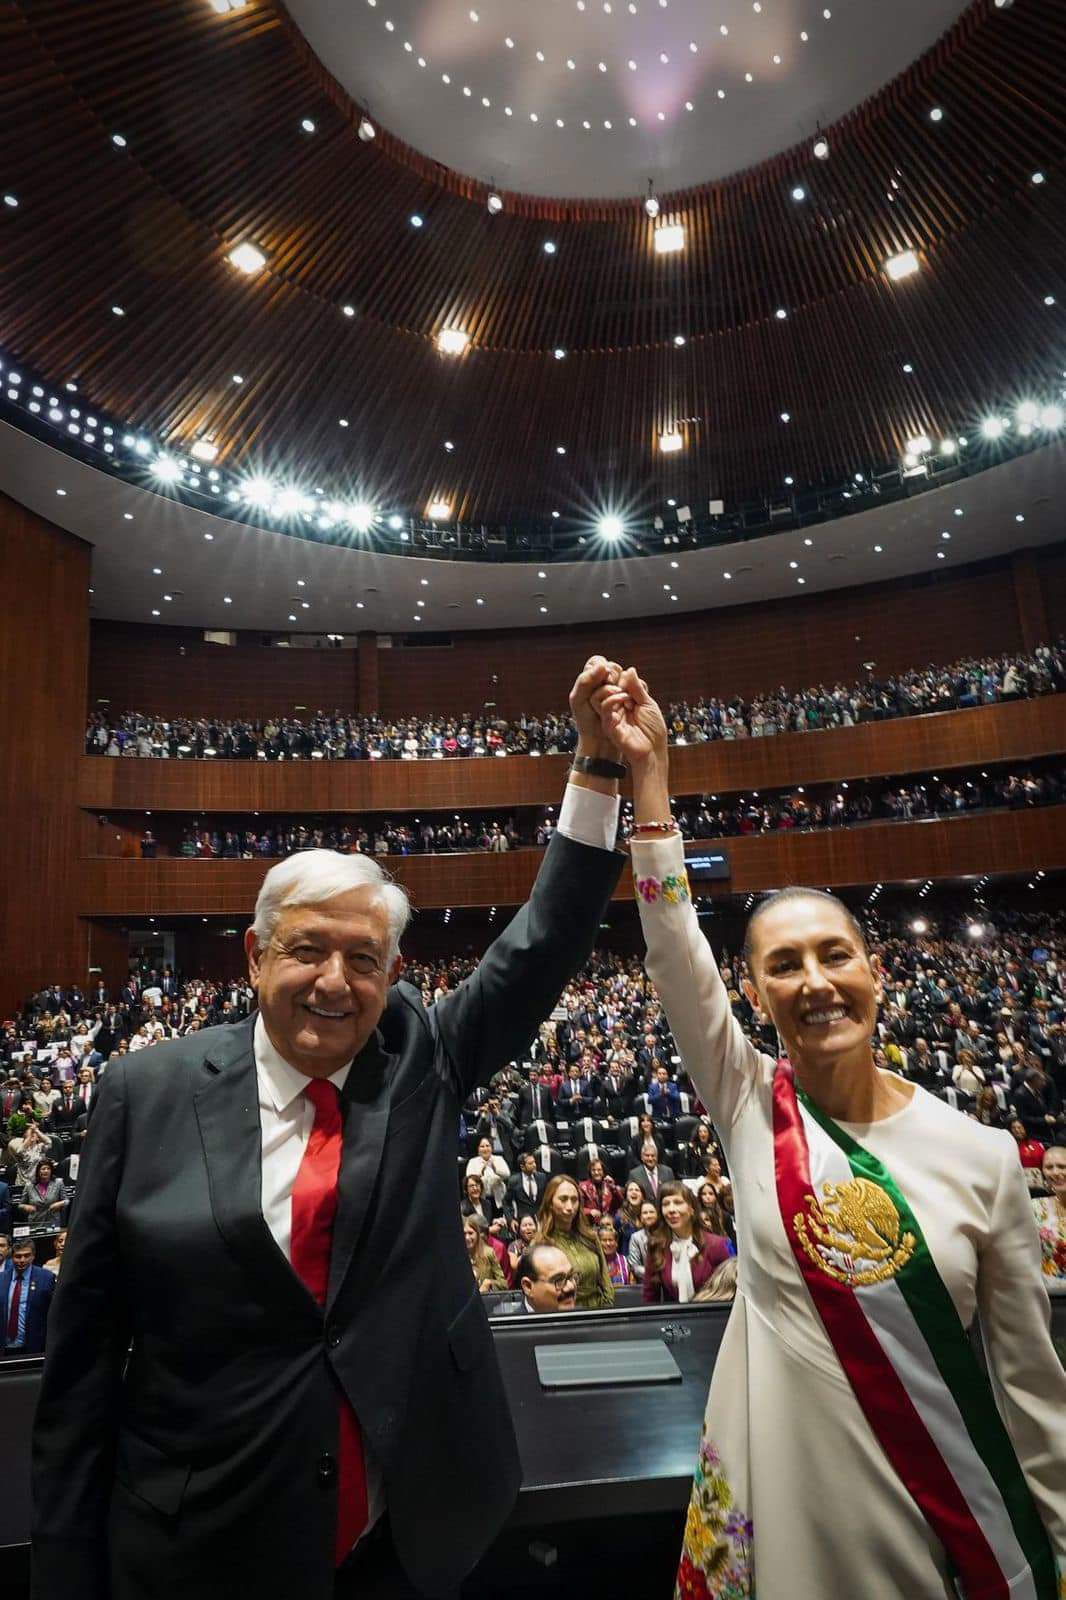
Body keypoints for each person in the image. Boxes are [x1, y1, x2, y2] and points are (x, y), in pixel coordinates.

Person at [31, 657, 627, 1600]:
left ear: (392, 971)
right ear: (256, 955)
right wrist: (65, 1567)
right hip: (207, 1544)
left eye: (363, 957)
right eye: (307, 950)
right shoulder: (142, 1091)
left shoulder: (420, 1057)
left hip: (412, 1533)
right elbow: (84, 1360)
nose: (334, 983)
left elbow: (545, 940)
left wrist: (595, 768)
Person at [598, 663, 1066, 1599]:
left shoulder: (981, 1160)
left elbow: (1030, 1394)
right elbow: (674, 951)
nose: (814, 981)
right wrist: (649, 782)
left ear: (875, 971)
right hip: (793, 1518)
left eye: (834, 954)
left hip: (950, 1529)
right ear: (758, 995)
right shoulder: (747, 1101)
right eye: (783, 966)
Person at [641, 1182, 730, 1304]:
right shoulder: (656, 1246)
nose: (671, 1209)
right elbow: (649, 1296)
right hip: (673, 1321)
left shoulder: (717, 1245)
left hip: (710, 1319)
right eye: (666, 1204)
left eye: (678, 1202)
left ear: (692, 1208)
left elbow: (728, 1291)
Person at [535, 1175, 614, 1309]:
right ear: (550, 1203)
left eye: (574, 1200)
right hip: (563, 1317)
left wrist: (605, 1312)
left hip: (598, 1313)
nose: (570, 1207)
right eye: (563, 1199)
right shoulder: (541, 1244)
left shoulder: (591, 1237)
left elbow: (606, 1283)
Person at [2, 1238, 55, 1355]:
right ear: (11, 1257)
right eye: (18, 1256)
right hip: (3, 1348)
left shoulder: (46, 1278)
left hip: (33, 1347)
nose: (22, 1260)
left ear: (33, 1256)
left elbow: (52, 1314)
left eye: (27, 1256)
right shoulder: (1, 1279)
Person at [1033, 1145, 1066, 1294]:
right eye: (1049, 1167)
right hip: (1050, 1295)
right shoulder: (1035, 1207)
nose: (1055, 1172)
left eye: (1061, 1166)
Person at [515, 1243, 578, 1314]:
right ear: (528, 1286)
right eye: (559, 1280)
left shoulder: (584, 1319)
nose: (571, 1287)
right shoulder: (512, 1324)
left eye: (571, 1276)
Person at [17, 1159, 68, 1231]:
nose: (46, 1171)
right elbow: (20, 1205)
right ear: (38, 1171)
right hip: (35, 1223)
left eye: (48, 1168)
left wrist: (60, 1203)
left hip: (53, 1223)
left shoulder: (58, 1183)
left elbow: (67, 1201)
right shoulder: (29, 1185)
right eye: (43, 1169)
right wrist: (26, 1207)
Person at [462, 1215, 507, 1295]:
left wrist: (489, 1283)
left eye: (470, 1233)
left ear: (477, 1234)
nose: (467, 1237)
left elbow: (504, 1284)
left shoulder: (489, 1253)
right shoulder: (458, 1256)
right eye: (464, 1233)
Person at [503, 1152, 547, 1227]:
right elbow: (506, 1202)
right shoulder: (514, 1181)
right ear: (522, 1167)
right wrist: (511, 1219)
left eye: (534, 1162)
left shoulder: (542, 1177)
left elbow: (547, 1198)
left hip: (541, 1219)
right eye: (530, 1163)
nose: (534, 1165)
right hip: (523, 1221)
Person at [464, 1136, 510, 1208]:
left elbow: (507, 1174)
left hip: (498, 1197)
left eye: (487, 1146)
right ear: (478, 1149)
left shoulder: (499, 1159)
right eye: (482, 1146)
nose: (485, 1148)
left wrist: (496, 1170)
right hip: (481, 1198)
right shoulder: (472, 1161)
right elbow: (469, 1179)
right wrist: (480, 1173)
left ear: (492, 1148)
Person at [578, 1156, 624, 1225]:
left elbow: (620, 1203)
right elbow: (578, 1208)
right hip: (590, 1222)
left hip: (608, 1222)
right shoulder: (583, 1186)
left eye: (599, 1170)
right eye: (593, 1170)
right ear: (590, 1172)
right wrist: (590, 1211)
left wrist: (613, 1188)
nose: (596, 1173)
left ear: (603, 1171)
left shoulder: (609, 1185)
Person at [626, 1199, 661, 1283]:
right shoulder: (636, 1237)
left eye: (651, 1212)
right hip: (646, 1283)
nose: (648, 1215)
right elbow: (634, 1266)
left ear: (658, 1215)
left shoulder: (667, 1234)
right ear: (641, 1217)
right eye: (645, 1213)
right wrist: (654, 1275)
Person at [596, 1217, 632, 1286]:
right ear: (599, 1243)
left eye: (610, 1240)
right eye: (604, 1240)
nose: (608, 1243)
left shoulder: (625, 1261)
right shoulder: (594, 1261)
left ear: (616, 1243)